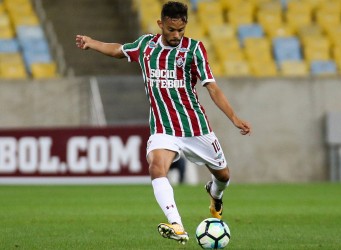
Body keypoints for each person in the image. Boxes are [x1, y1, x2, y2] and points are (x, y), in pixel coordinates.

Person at [75, 1, 251, 245]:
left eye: (181, 30)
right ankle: (177, 224)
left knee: (223, 176)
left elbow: (212, 87)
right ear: (161, 24)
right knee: (156, 167)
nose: (176, 35)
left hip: (195, 127)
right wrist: (92, 43)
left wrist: (233, 117)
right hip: (163, 128)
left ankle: (215, 193)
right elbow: (118, 50)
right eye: (171, 30)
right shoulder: (146, 45)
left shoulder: (194, 50)